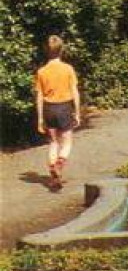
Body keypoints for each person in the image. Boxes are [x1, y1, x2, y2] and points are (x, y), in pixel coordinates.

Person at [35, 35, 80, 189]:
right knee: (67, 142)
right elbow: (74, 91)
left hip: (48, 108)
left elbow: (39, 96)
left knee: (53, 142)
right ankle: (60, 163)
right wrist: (78, 112)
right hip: (64, 107)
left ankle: (53, 171)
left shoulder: (41, 71)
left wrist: (40, 118)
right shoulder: (68, 69)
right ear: (61, 50)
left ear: (47, 51)